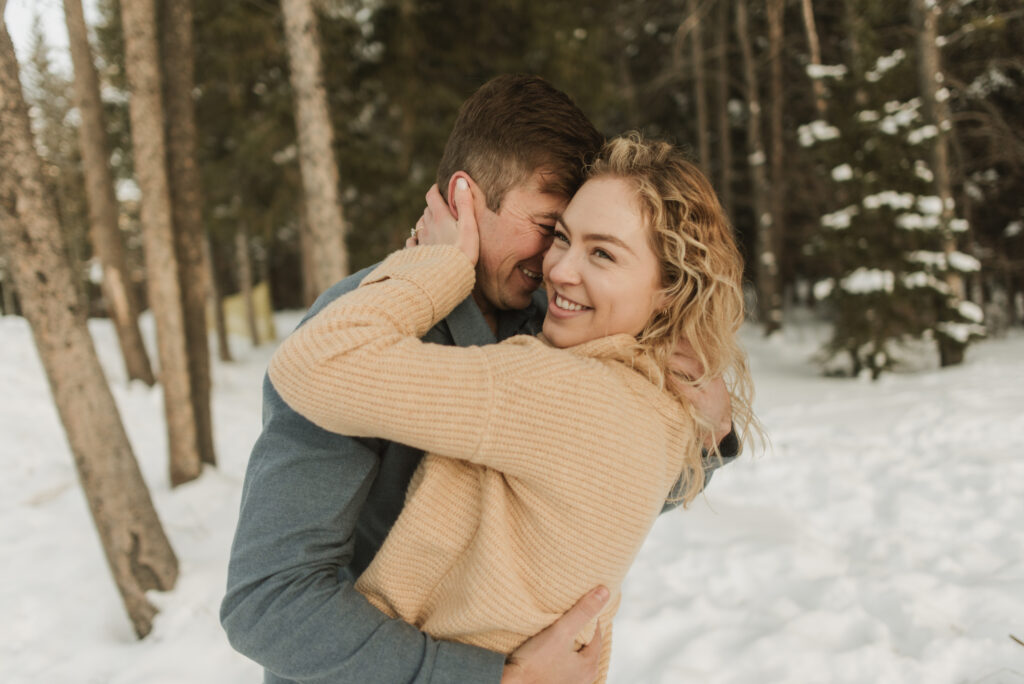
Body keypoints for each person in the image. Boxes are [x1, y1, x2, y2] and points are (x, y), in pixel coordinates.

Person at [221, 75, 738, 684]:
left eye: (588, 243)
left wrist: (706, 438)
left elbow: (584, 501)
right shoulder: (356, 329)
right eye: (553, 229)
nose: (556, 265)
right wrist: (492, 678)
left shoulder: (561, 324)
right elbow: (269, 603)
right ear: (465, 197)